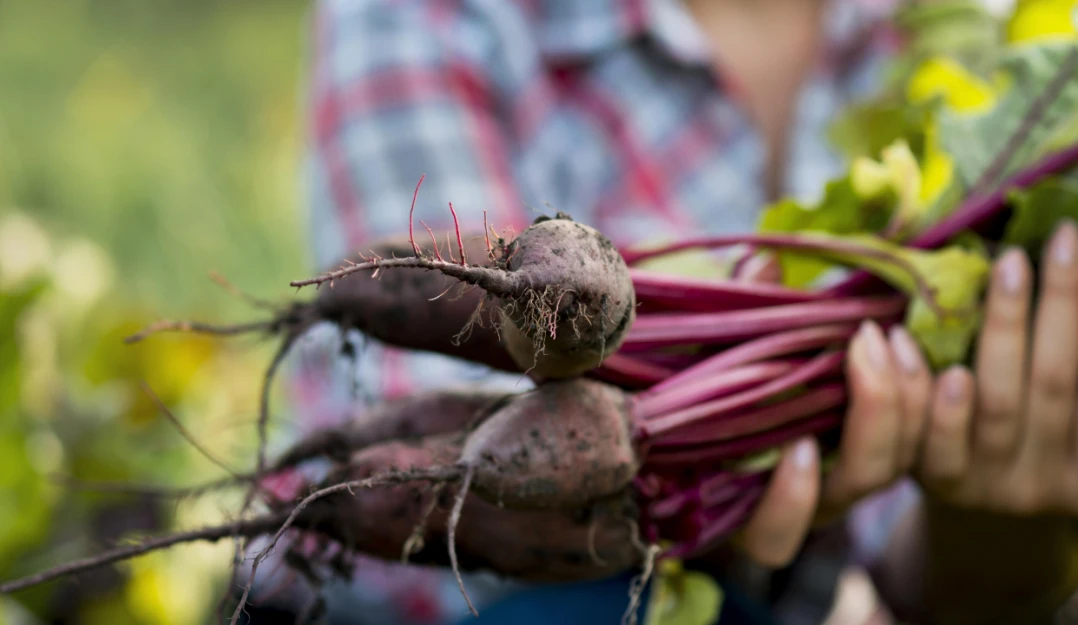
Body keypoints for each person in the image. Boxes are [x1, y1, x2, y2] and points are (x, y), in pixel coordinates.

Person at [282, 0, 1078, 622]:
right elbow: (429, 460)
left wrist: (998, 531)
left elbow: (920, 584)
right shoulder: (443, 17)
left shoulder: (942, 42)